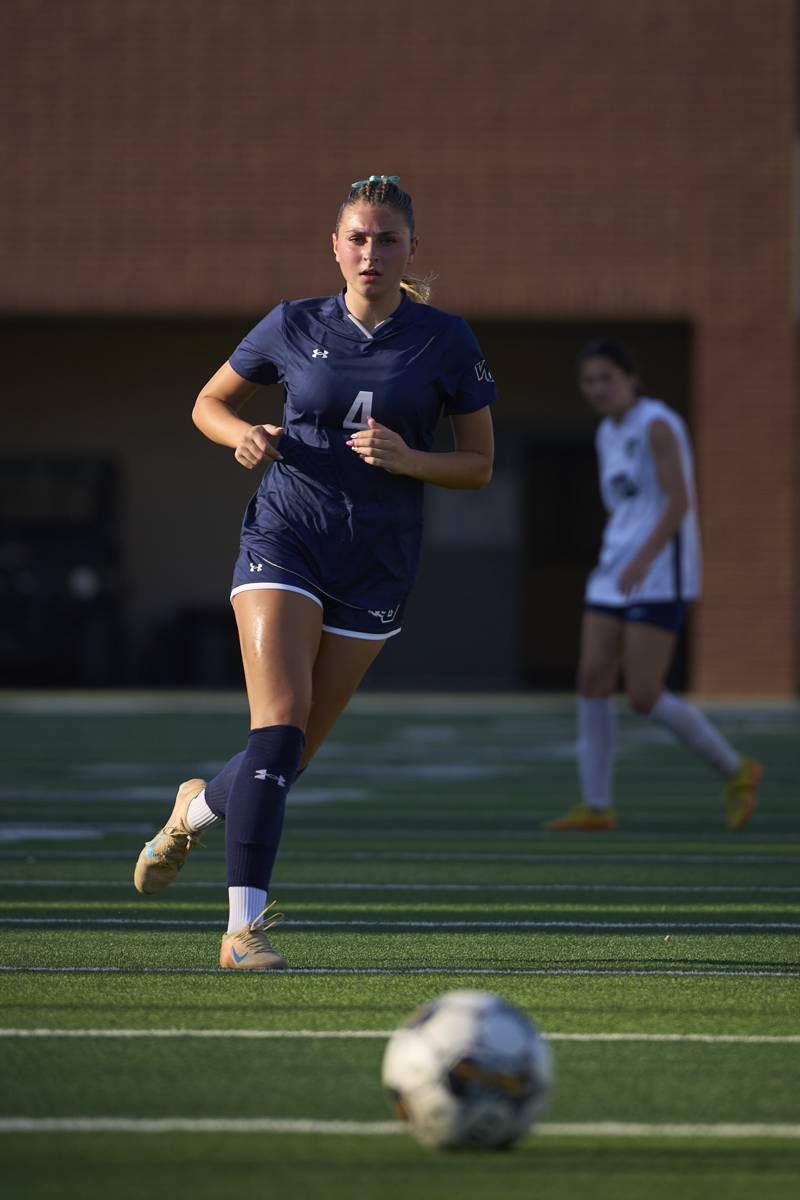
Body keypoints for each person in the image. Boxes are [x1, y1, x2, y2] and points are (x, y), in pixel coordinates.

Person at [133, 175, 496, 968]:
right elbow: (207, 403)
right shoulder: (292, 322)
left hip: (378, 563)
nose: (371, 253)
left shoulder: (447, 339)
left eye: (386, 239)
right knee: (280, 724)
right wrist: (241, 435)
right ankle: (241, 931)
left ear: (410, 250)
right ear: (334, 247)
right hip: (284, 538)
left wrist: (411, 459)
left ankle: (191, 813)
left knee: (285, 759)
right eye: (357, 238)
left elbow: (478, 467)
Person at [545, 338, 761, 832]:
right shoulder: (607, 432)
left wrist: (643, 559)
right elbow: (624, 507)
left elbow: (679, 502)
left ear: (631, 379)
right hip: (614, 571)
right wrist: (621, 558)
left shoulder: (657, 424)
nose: (598, 389)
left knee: (643, 694)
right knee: (592, 679)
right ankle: (597, 807)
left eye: (607, 378)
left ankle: (736, 769)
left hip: (659, 573)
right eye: (589, 381)